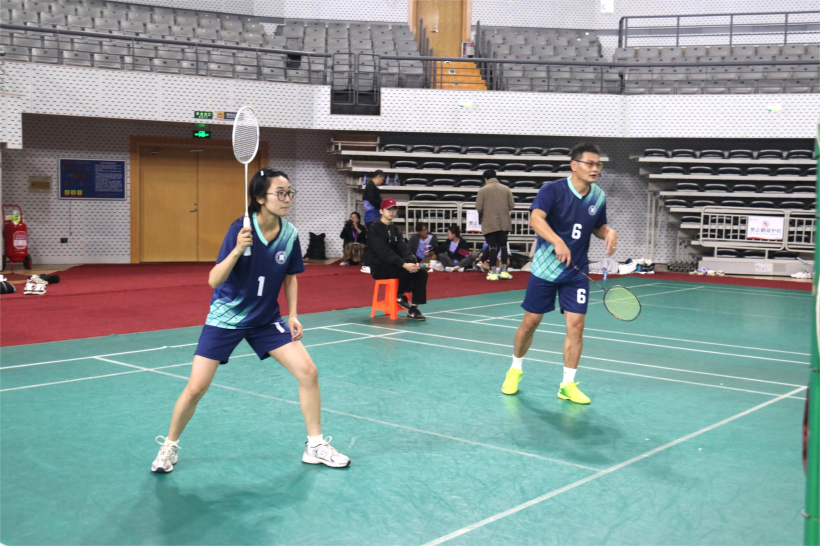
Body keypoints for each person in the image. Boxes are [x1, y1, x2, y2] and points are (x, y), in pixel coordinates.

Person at [151, 168, 351, 473]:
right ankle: (169, 445)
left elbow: (291, 276)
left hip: (265, 320)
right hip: (226, 318)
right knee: (196, 388)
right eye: (280, 193)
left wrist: (293, 314)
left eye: (289, 193)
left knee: (309, 373)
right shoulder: (239, 229)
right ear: (259, 198)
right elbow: (213, 280)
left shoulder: (289, 234)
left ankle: (315, 445)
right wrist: (237, 250)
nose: (287, 199)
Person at [500, 143, 616, 405]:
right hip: (545, 269)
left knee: (577, 326)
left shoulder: (598, 196)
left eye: (598, 164)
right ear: (574, 165)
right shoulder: (552, 190)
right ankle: (515, 369)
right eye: (589, 163)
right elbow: (536, 219)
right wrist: (556, 241)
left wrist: (608, 231)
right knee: (531, 322)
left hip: (577, 271)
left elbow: (597, 226)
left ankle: (567, 384)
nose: (595, 169)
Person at [365, 198, 428, 321]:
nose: (391, 212)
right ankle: (399, 295)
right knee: (404, 269)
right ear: (381, 211)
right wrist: (404, 264)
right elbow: (384, 252)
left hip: (395, 264)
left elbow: (403, 249)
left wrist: (413, 263)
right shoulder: (374, 229)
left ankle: (413, 309)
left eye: (394, 209)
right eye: (388, 209)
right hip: (379, 266)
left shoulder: (395, 230)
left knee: (421, 273)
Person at [476, 169, 515, 281]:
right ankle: (504, 271)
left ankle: (493, 272)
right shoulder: (506, 188)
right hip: (503, 222)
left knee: (492, 246)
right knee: (503, 246)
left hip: (489, 223)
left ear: (485, 179)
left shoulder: (483, 190)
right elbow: (512, 205)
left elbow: (479, 207)